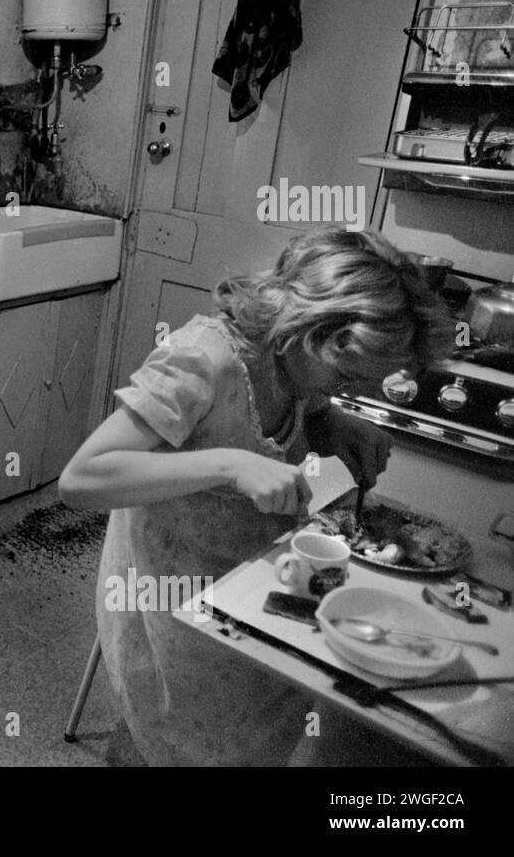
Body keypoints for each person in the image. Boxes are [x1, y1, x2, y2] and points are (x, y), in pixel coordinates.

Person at [58, 228, 452, 766]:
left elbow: (302, 399)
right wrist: (231, 464)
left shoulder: (296, 363)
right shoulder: (202, 360)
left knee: (249, 732)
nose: (349, 389)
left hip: (251, 585)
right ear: (309, 330)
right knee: (176, 736)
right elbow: (82, 478)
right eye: (347, 378)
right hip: (172, 591)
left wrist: (336, 421)